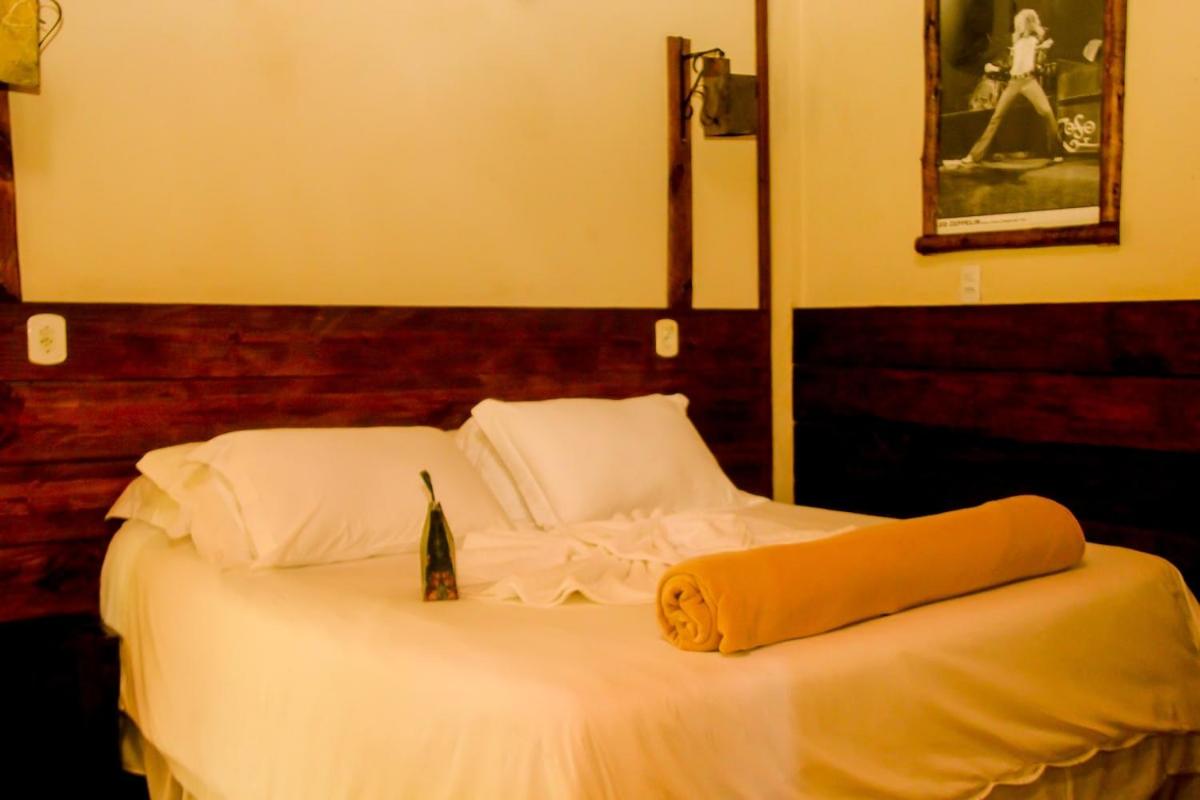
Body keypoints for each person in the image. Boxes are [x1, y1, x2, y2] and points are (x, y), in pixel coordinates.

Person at [945, 9, 1065, 168]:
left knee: (1047, 112)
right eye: (1017, 23)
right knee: (996, 117)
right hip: (1014, 82)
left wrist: (1044, 47)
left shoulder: (1035, 41)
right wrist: (995, 68)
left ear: (1027, 23)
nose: (1017, 25)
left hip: (1029, 81)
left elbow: (1043, 51)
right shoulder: (1017, 43)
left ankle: (1057, 151)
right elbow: (1012, 67)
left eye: (1020, 22)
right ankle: (974, 156)